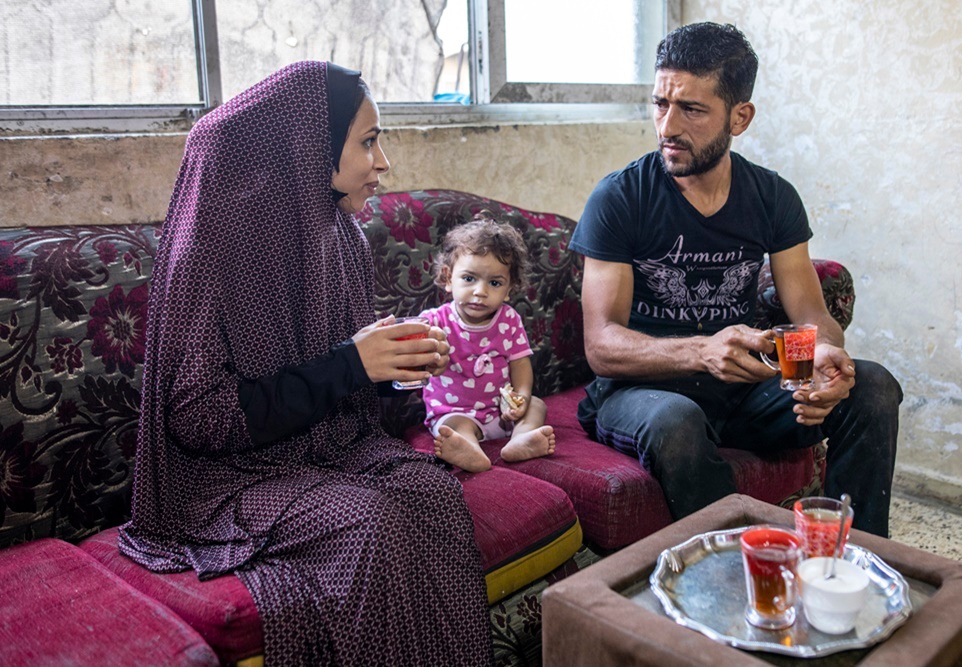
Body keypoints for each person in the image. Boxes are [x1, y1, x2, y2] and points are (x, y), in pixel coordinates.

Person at [118, 61, 491, 665]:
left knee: (434, 494)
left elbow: (341, 377)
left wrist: (391, 368)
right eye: (368, 142)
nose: (383, 162)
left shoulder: (340, 235)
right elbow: (198, 420)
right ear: (308, 149)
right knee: (369, 525)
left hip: (319, 450)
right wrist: (351, 364)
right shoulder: (209, 255)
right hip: (222, 478)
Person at [569, 23, 903, 537]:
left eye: (692, 110)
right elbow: (602, 346)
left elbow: (812, 315)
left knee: (873, 384)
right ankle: (735, 572)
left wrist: (818, 360)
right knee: (675, 422)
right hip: (641, 392)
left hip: (744, 394)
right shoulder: (620, 198)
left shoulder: (772, 197)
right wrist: (702, 351)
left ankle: (850, 561)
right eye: (660, 104)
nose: (667, 126)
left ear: (740, 117)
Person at [420, 216, 556, 473]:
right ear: (449, 278)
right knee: (453, 428)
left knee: (537, 405)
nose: (480, 291)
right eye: (469, 278)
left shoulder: (509, 320)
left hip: (502, 415)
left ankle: (520, 440)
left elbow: (520, 365)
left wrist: (522, 398)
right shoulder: (434, 321)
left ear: (508, 289)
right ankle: (467, 448)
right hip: (455, 411)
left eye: (494, 283)